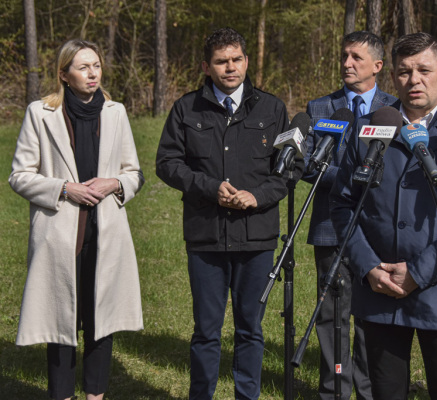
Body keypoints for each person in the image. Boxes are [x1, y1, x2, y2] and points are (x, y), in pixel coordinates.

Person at [329, 32, 437, 400]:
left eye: (424, 70)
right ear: (392, 75)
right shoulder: (369, 128)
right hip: (380, 290)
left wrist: (419, 273)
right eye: (405, 72)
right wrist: (368, 267)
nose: (414, 80)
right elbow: (343, 205)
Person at [155, 27, 301, 400]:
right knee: (206, 331)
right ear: (207, 66)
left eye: (236, 59)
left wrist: (257, 196)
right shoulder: (186, 108)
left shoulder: (272, 109)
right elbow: (167, 163)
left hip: (256, 237)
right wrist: (209, 187)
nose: (230, 67)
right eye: (221, 61)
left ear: (247, 61)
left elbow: (289, 170)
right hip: (206, 236)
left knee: (250, 329)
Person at [9, 39, 144, 400]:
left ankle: (95, 396)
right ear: (64, 74)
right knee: (61, 321)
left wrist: (114, 183)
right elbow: (19, 175)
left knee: (102, 320)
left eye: (96, 65)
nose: (92, 73)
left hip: (106, 233)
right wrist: (64, 189)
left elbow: (134, 172)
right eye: (83, 67)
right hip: (59, 236)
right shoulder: (40, 113)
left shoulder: (116, 112)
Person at [302, 30, 396, 400]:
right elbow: (309, 165)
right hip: (331, 225)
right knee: (332, 315)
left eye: (356, 57)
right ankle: (334, 391)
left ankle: (369, 390)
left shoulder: (395, 108)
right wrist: (352, 177)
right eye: (344, 56)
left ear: (377, 65)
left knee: (371, 317)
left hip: (378, 229)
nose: (346, 63)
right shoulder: (320, 108)